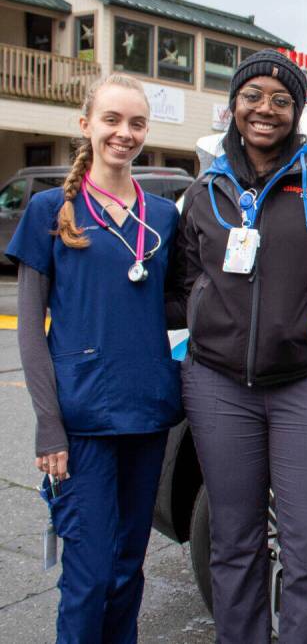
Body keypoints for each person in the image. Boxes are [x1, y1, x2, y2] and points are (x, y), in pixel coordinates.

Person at [166, 49, 307, 644]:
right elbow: (186, 279)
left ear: (296, 112)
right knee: (234, 542)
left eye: (280, 99)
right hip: (218, 387)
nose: (264, 110)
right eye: (253, 97)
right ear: (234, 106)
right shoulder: (204, 193)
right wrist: (205, 315)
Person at [5, 73, 182, 643]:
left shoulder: (162, 216)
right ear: (86, 125)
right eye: (112, 120)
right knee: (88, 572)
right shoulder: (49, 210)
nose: (123, 133)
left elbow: (174, 301)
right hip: (81, 421)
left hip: (148, 411)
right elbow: (30, 329)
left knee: (130, 566)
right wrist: (48, 428)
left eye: (135, 123)